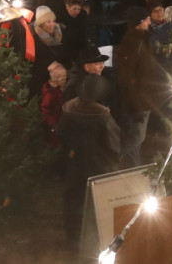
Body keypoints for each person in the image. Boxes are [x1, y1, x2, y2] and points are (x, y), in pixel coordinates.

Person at [57, 76, 120, 245]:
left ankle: (73, 238)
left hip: (74, 165)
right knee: (98, 204)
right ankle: (96, 240)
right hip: (99, 167)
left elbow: (60, 134)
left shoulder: (69, 112)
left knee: (73, 200)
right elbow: (114, 145)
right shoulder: (104, 117)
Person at [114, 6, 159, 167]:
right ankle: (113, 163)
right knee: (136, 138)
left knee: (137, 139)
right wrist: (136, 105)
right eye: (146, 19)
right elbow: (126, 78)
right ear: (137, 23)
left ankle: (134, 167)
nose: (149, 21)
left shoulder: (142, 39)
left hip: (143, 99)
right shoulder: (131, 43)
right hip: (137, 103)